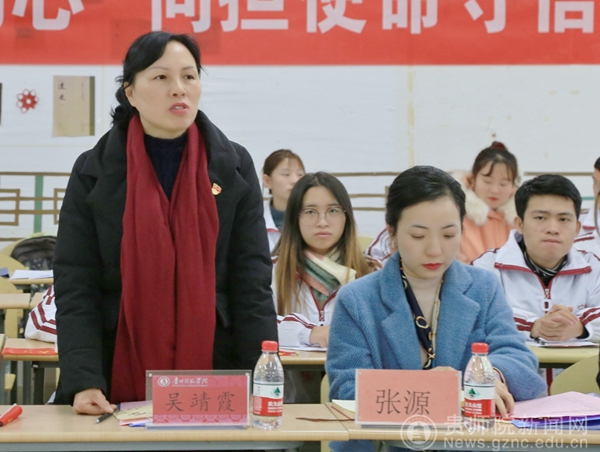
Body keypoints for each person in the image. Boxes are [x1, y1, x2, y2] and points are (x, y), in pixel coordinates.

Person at [53, 31, 277, 415]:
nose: (179, 89)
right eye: (161, 77)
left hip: (217, 367)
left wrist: (262, 380)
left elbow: (251, 281)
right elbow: (76, 284)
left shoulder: (233, 166)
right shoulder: (94, 170)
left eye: (189, 76)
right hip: (112, 372)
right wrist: (84, 379)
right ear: (130, 92)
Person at [327, 166, 545, 451]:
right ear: (392, 233)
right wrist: (432, 389)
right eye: (418, 236)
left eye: (448, 235)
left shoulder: (483, 287)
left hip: (470, 444)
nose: (434, 250)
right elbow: (347, 390)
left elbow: (519, 359)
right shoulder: (357, 300)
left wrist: (487, 377)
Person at [472, 174, 600, 343]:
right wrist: (532, 325)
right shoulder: (487, 266)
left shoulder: (593, 265)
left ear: (576, 228)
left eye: (563, 219)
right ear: (520, 224)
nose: (553, 229)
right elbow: (478, 314)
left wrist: (580, 326)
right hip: (509, 361)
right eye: (540, 218)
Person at [365, 142, 519, 265]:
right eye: (487, 181)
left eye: (504, 183)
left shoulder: (520, 221)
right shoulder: (450, 209)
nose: (495, 190)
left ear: (514, 186)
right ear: (472, 179)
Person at [262, 149, 306, 251]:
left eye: (300, 175)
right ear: (267, 181)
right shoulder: (254, 221)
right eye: (286, 174)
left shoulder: (315, 219)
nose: (295, 180)